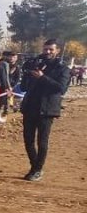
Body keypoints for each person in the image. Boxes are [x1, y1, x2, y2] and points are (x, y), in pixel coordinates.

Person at [19, 39, 71, 181]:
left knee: (42, 141)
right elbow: (24, 87)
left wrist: (43, 78)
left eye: (51, 50)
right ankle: (35, 166)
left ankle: (37, 169)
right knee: (28, 139)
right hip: (30, 108)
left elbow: (61, 88)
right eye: (45, 49)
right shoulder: (37, 64)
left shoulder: (63, 69)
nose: (47, 52)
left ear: (57, 51)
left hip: (46, 110)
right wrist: (27, 74)